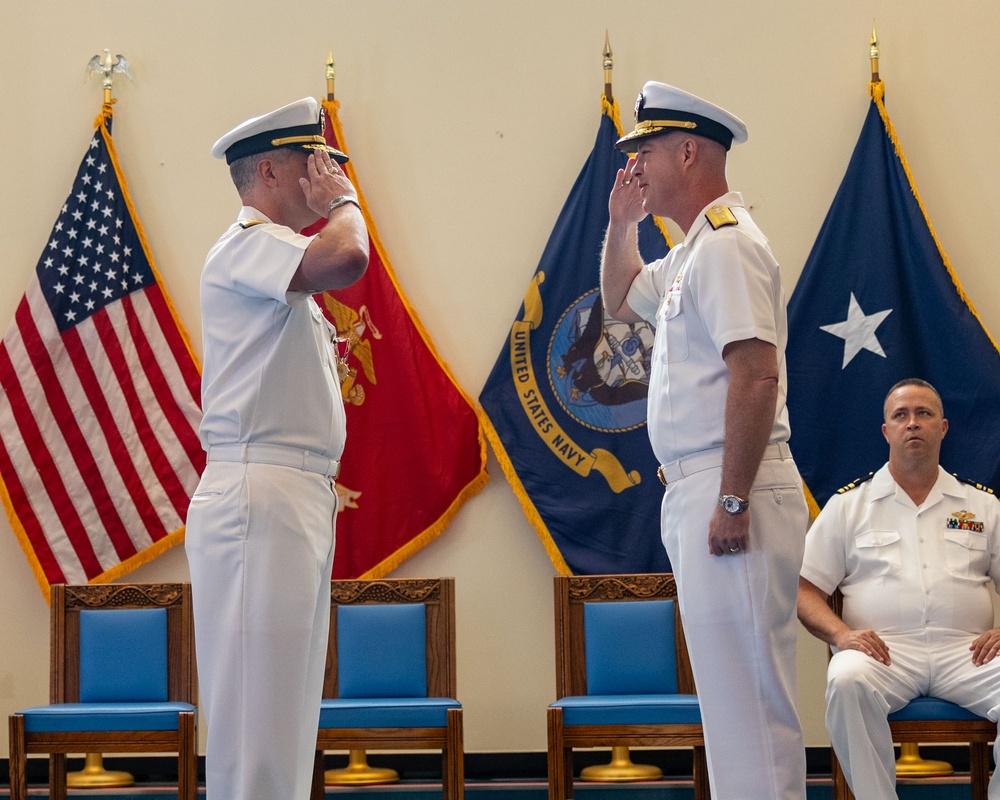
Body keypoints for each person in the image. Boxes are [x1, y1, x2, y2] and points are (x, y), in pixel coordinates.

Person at [600, 81, 809, 798]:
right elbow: (621, 301)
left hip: (732, 485)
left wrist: (732, 497)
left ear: (688, 151)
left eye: (645, 153)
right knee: (729, 704)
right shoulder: (692, 252)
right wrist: (621, 224)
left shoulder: (726, 246)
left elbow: (755, 376)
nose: (636, 168)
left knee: (750, 704)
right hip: (704, 488)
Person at [185, 97, 368, 800]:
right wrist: (345, 201)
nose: (322, 177)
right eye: (310, 164)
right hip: (258, 496)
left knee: (285, 714)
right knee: (256, 719)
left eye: (330, 169)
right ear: (267, 170)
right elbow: (347, 255)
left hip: (290, 495)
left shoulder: (271, 256)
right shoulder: (245, 243)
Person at [798, 378, 1000, 800]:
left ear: (943, 428)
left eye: (924, 414)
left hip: (968, 653)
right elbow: (803, 589)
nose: (913, 423)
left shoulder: (982, 506)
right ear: (886, 431)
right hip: (884, 653)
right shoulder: (849, 506)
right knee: (847, 678)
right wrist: (841, 636)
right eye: (901, 415)